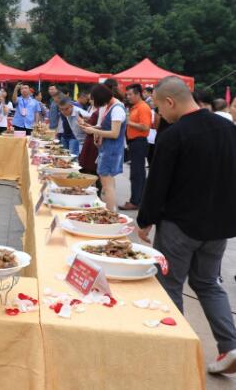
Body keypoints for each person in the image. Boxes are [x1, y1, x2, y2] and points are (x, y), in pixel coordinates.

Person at [135, 77, 236, 374]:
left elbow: (158, 183)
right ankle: (230, 345)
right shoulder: (229, 129)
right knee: (208, 283)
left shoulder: (174, 135)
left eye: (159, 108)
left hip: (179, 226)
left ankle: (173, 353)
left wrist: (145, 220)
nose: (159, 114)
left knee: (169, 284)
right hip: (218, 225)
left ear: (170, 102)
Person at [79, 84, 126, 211]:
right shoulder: (111, 106)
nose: (93, 103)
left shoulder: (116, 109)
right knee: (108, 185)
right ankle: (111, 212)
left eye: (94, 99)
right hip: (108, 150)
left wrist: (94, 130)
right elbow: (106, 127)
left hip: (111, 151)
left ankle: (110, 213)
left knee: (107, 186)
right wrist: (91, 127)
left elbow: (114, 133)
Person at [121, 84, 152, 211]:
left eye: (130, 94)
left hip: (139, 142)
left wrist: (129, 122)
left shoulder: (143, 107)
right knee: (137, 172)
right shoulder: (135, 107)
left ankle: (135, 201)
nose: (128, 97)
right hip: (134, 142)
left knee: (137, 173)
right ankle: (139, 200)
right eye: (127, 94)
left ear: (138, 94)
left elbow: (145, 127)